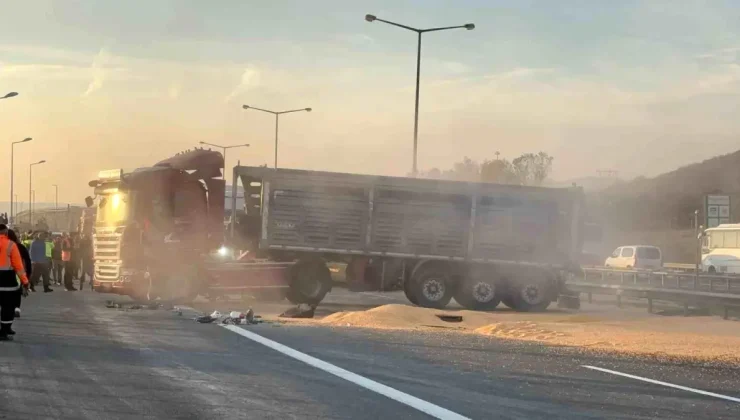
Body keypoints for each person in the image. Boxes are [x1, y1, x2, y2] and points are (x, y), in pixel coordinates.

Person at [0, 224, 30, 340]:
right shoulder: (11, 245)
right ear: (6, 233)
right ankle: (4, 331)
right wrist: (25, 281)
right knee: (8, 307)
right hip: (8, 283)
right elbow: (18, 266)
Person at [7, 229, 31, 320]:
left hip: (4, 274)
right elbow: (28, 262)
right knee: (16, 290)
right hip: (17, 273)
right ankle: (16, 308)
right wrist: (27, 276)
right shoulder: (20, 247)